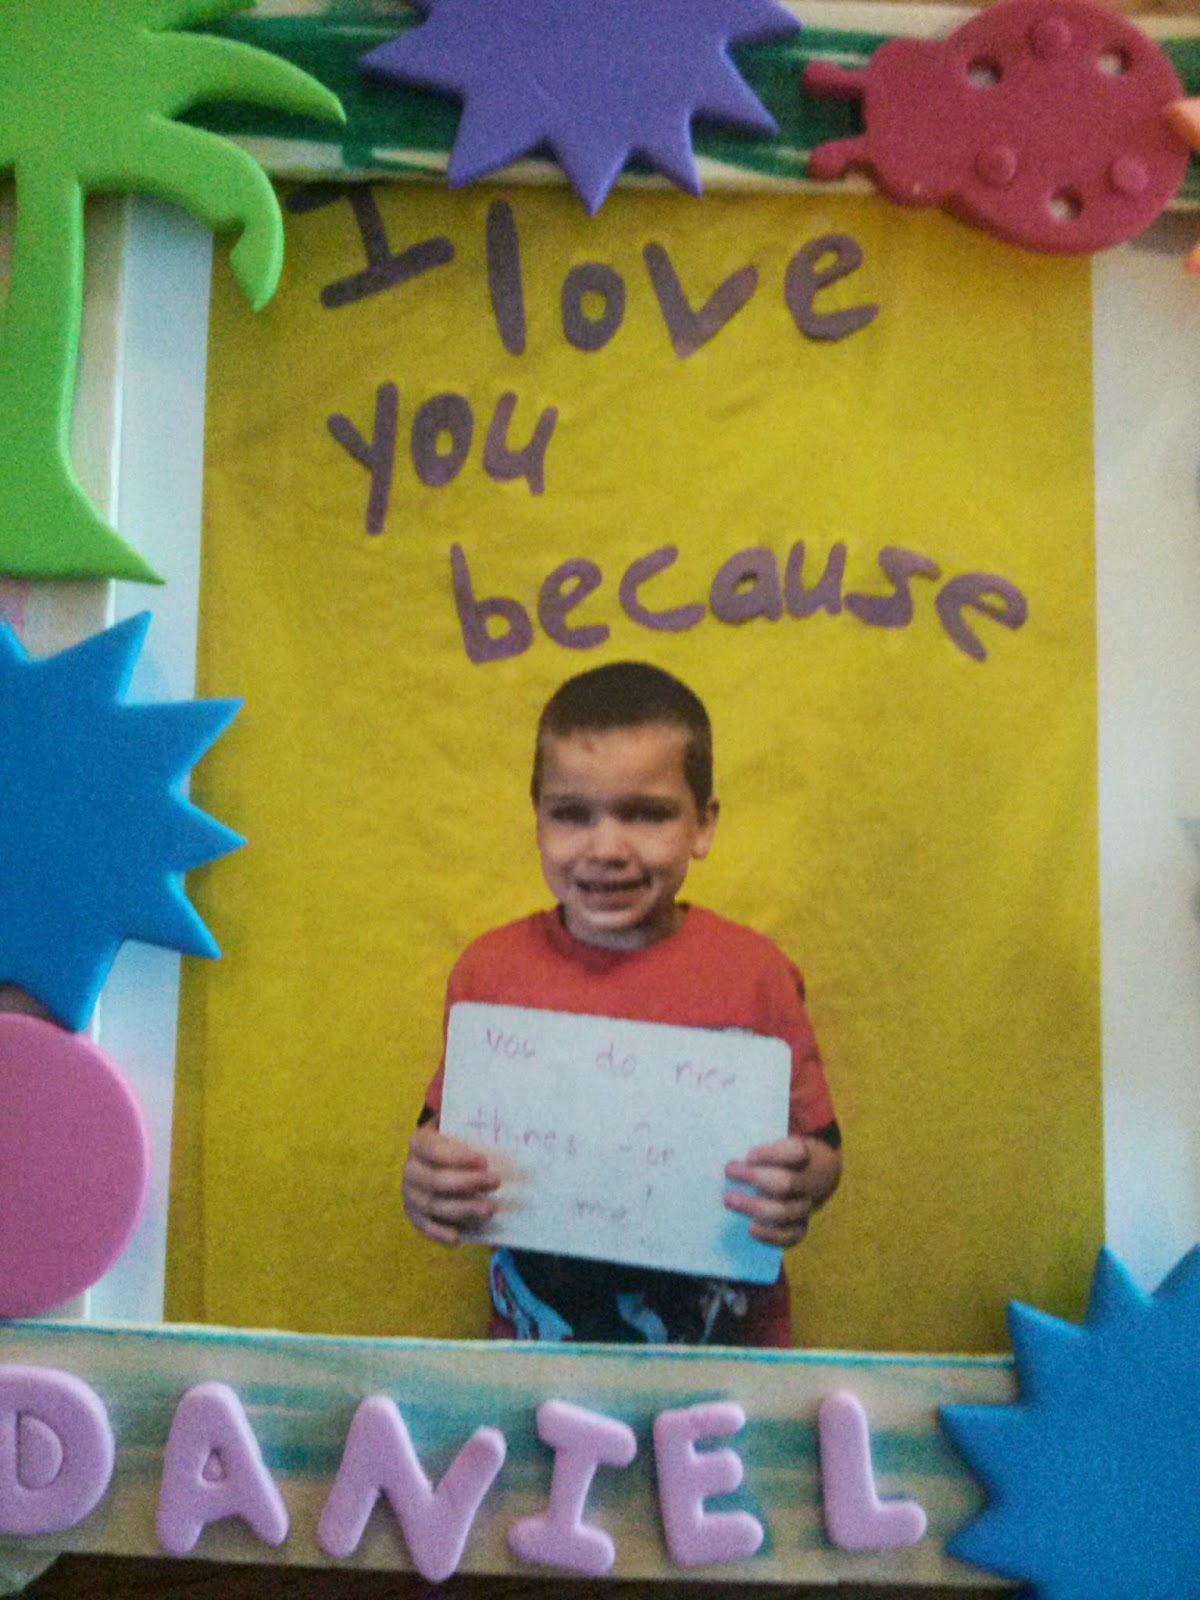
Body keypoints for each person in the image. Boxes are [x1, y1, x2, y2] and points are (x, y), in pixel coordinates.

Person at [402, 661, 841, 1346]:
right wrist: (426, 1181)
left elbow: (822, 1148)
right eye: (571, 815)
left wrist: (802, 1184)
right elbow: (440, 1136)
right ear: (537, 821)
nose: (606, 848)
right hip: (538, 1357)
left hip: (727, 1356)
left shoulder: (757, 974)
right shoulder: (489, 972)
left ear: (702, 825)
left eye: (646, 814)